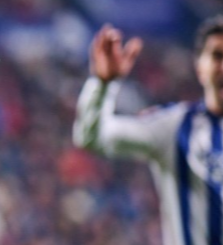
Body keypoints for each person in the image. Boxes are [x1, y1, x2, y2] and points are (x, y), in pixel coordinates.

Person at [74, 16, 223, 245]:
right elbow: (92, 137)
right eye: (217, 56)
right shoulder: (173, 126)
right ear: (199, 66)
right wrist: (103, 84)